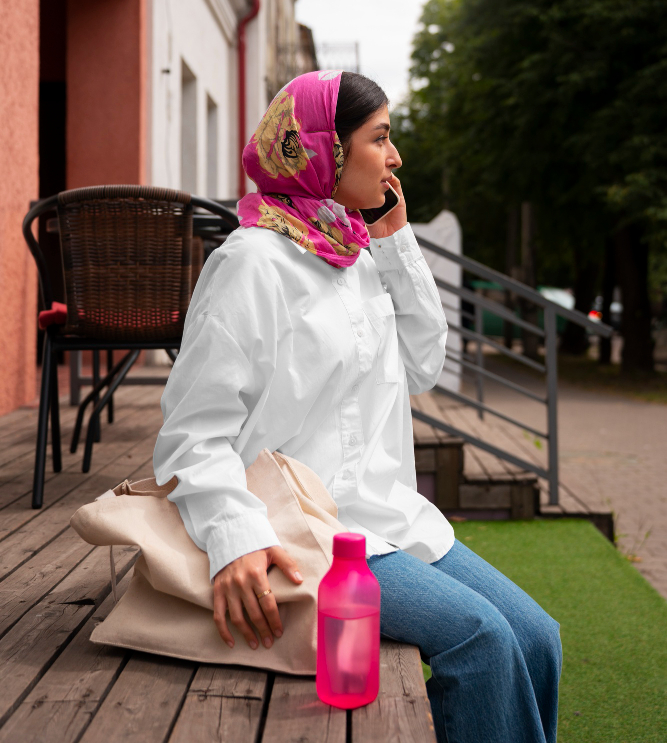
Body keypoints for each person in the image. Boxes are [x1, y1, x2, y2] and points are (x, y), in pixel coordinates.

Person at [153, 69, 561, 743]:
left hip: (386, 516)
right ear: (326, 151)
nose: (395, 156)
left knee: (537, 638)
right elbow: (192, 434)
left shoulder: (350, 251)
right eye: (380, 138)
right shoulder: (251, 263)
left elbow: (426, 364)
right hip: (306, 529)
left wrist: (394, 240)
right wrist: (234, 539)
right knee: (483, 646)